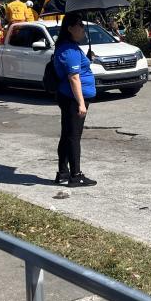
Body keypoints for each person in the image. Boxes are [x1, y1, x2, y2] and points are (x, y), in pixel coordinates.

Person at [53, 12, 98, 187]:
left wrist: (87, 59)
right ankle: (75, 175)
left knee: (67, 136)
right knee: (73, 137)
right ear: (70, 28)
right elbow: (73, 78)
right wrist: (80, 103)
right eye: (79, 25)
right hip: (73, 99)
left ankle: (63, 173)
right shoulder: (68, 49)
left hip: (70, 97)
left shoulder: (70, 47)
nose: (82, 28)